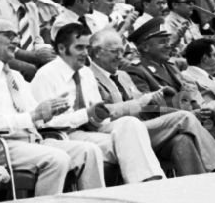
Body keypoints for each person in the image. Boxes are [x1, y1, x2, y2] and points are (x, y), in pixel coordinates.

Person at [0, 17, 105, 194]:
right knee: (57, 159)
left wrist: (51, 110)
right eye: (9, 35)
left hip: (32, 140)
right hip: (2, 145)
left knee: (88, 151)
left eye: (16, 35)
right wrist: (34, 115)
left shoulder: (14, 75)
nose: (16, 40)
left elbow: (36, 114)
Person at [31, 22, 165, 184]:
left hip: (93, 129)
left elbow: (97, 114)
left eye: (87, 48)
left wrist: (100, 115)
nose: (85, 53)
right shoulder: (46, 75)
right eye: (79, 48)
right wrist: (85, 115)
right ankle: (144, 185)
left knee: (130, 123)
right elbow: (43, 122)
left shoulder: (86, 73)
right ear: (61, 49)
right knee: (127, 145)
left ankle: (150, 181)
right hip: (66, 135)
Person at [123, 17, 215, 167]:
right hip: (174, 124)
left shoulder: (169, 65)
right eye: (162, 42)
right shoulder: (136, 70)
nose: (168, 45)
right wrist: (192, 114)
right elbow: (148, 108)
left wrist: (199, 109)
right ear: (145, 47)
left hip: (198, 115)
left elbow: (188, 92)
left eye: (168, 40)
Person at [88, 28, 215, 175]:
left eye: (121, 51)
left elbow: (141, 103)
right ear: (97, 52)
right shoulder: (89, 76)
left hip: (142, 126)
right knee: (184, 117)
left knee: (182, 140)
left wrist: (154, 96)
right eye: (114, 51)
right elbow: (99, 114)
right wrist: (142, 102)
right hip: (117, 131)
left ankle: (197, 190)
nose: (119, 56)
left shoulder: (122, 75)